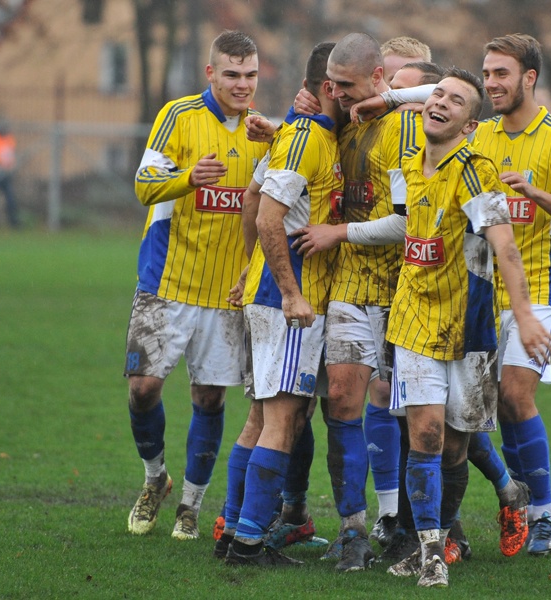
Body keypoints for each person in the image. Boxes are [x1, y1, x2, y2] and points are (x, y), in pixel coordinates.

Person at [384, 68, 551, 588]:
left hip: (470, 328)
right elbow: (402, 227)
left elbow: (504, 244)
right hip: (413, 319)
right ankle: (430, 551)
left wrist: (524, 317)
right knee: (426, 436)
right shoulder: (405, 168)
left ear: (469, 123)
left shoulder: (477, 170)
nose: (441, 103)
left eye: (456, 101)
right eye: (437, 94)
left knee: (456, 448)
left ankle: (463, 526)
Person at [283, 33, 424, 570]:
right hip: (348, 290)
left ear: (378, 79)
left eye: (346, 85)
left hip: (404, 290)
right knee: (340, 401)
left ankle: (414, 527)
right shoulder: (337, 124)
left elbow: (406, 222)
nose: (335, 93)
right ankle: (353, 531)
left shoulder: (403, 127)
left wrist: (337, 233)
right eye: (331, 85)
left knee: (418, 416)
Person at [124, 30, 269, 541]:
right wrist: (189, 178)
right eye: (231, 74)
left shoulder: (264, 133)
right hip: (166, 283)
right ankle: (154, 479)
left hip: (227, 293)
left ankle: (190, 503)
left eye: (250, 75)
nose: (242, 85)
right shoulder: (178, 116)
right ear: (210, 73)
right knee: (143, 389)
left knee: (209, 400)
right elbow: (144, 186)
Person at [219, 41, 345, 568]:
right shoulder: (307, 136)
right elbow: (268, 215)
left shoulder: (300, 131)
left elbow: (254, 199)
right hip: (285, 303)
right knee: (283, 420)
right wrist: (290, 292)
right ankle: (248, 542)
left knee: (260, 417)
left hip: (269, 294)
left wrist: (251, 267)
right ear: (331, 88)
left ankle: (230, 528)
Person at [475, 34, 551, 557]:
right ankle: (514, 500)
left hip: (543, 284)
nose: (491, 83)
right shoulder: (476, 135)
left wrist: (533, 193)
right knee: (490, 407)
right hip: (481, 290)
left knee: (516, 395)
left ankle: (544, 518)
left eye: (501, 73)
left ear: (529, 78)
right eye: (487, 73)